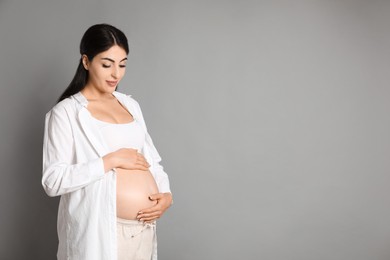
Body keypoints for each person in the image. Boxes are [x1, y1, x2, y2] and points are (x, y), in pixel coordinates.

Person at [42, 24, 172, 260]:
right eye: (106, 64)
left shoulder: (131, 105)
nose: (116, 74)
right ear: (86, 61)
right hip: (100, 233)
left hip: (142, 230)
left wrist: (166, 193)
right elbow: (53, 181)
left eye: (122, 64)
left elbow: (152, 161)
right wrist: (111, 160)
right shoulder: (66, 113)